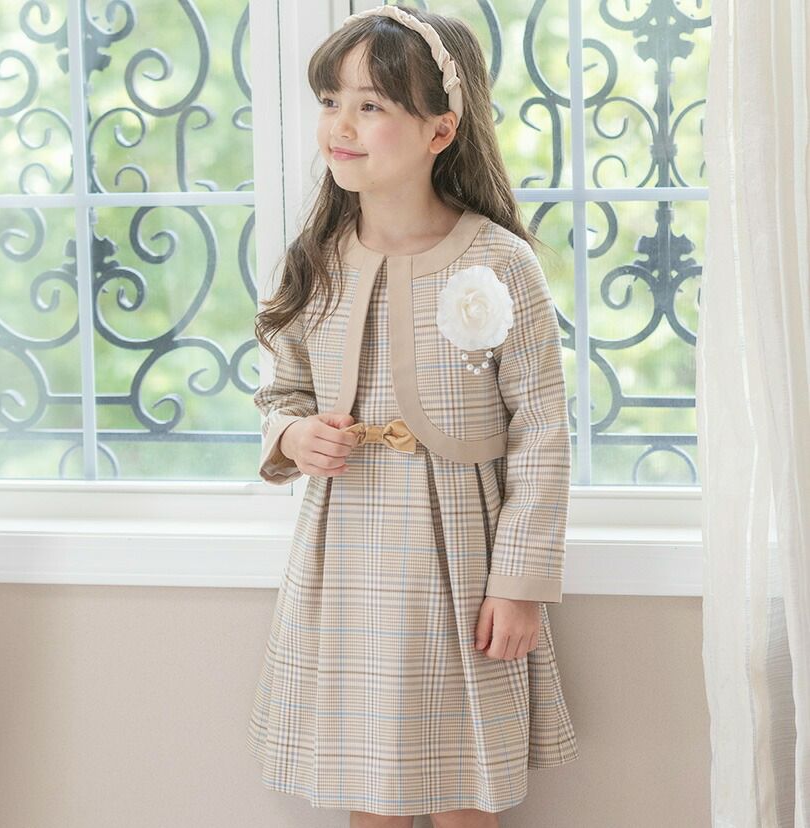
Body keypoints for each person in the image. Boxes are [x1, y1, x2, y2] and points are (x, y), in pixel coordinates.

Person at [245, 5, 578, 827]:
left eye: (371, 105)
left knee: (464, 789)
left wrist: (520, 587)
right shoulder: (315, 263)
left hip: (459, 558)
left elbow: (542, 431)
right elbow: (280, 391)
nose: (341, 124)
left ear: (440, 130)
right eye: (331, 100)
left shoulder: (500, 262)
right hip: (344, 558)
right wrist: (294, 434)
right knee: (369, 790)